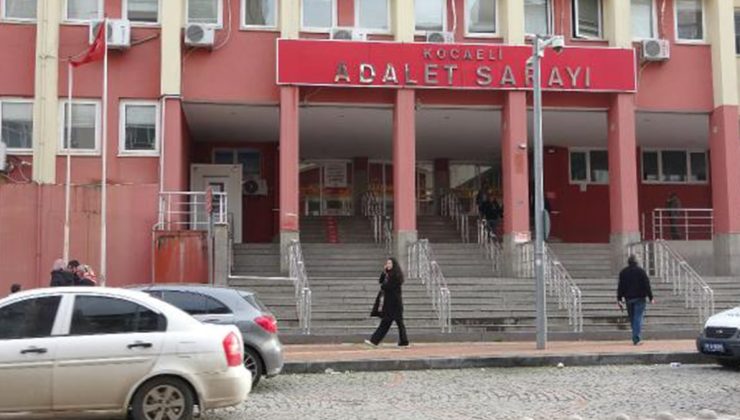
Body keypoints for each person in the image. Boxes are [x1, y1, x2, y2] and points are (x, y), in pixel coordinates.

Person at [365, 258, 409, 347]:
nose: (388, 265)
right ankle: (403, 341)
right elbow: (381, 281)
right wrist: (384, 272)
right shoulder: (388, 274)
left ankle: (374, 341)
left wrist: (385, 282)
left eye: (390, 263)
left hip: (394, 304)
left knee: (391, 323)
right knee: (391, 323)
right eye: (387, 263)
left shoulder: (395, 275)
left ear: (394, 265)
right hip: (389, 303)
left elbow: (386, 286)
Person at [617, 255, 655, 345]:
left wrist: (619, 298)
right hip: (640, 297)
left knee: (632, 318)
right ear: (637, 262)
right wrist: (651, 297)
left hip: (628, 298)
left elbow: (620, 286)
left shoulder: (623, 272)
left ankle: (635, 335)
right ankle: (636, 337)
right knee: (638, 317)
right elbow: (646, 284)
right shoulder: (641, 271)